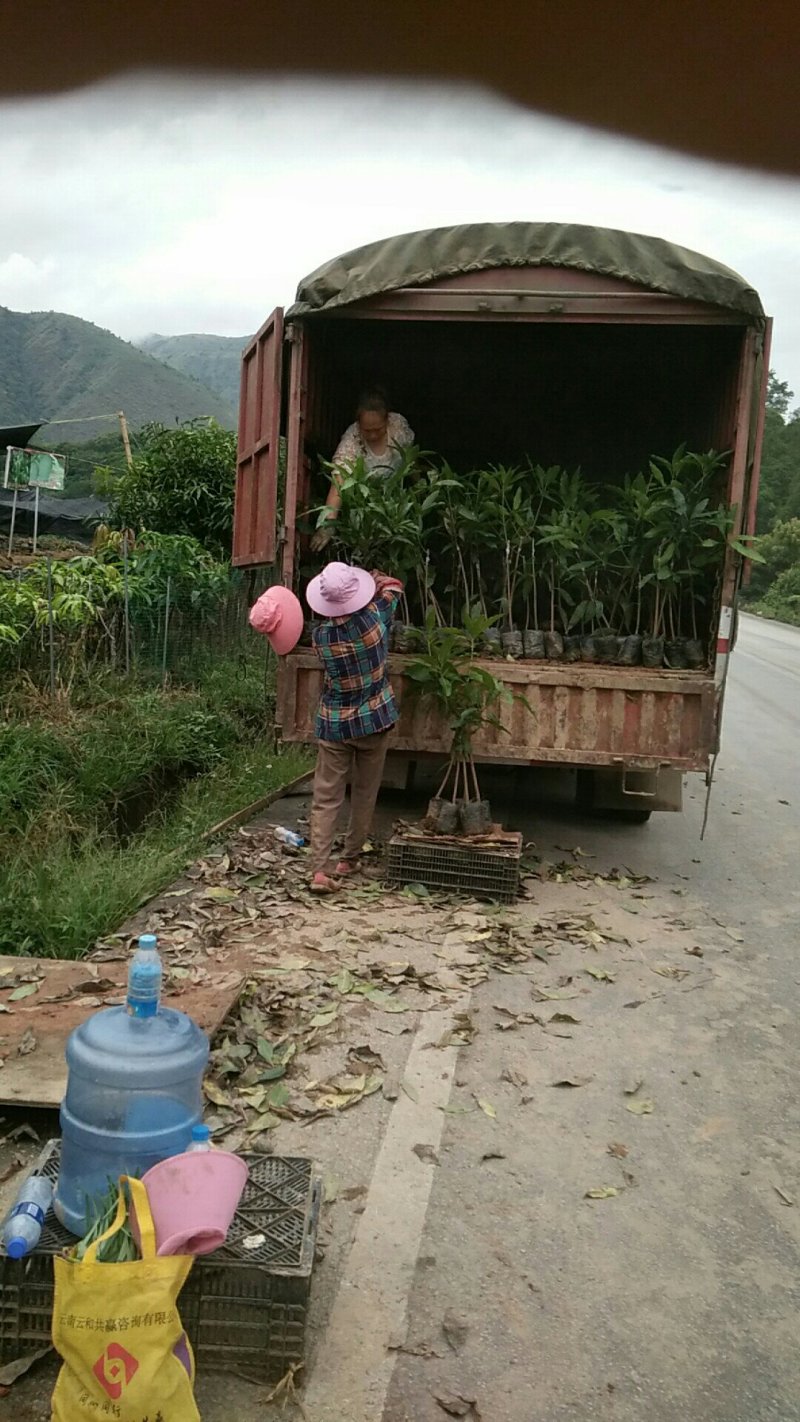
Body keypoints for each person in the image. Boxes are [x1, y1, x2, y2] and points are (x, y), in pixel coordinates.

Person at [305, 560, 404, 893]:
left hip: (335, 724)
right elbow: (395, 587)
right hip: (375, 720)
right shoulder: (375, 619)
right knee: (364, 792)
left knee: (326, 797)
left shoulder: (321, 637)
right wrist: (375, 578)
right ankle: (349, 858)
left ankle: (320, 869)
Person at [311, 390, 414, 551]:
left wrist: (419, 488)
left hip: (398, 506)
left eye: (378, 429)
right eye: (367, 430)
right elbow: (339, 480)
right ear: (359, 425)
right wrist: (327, 524)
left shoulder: (398, 427)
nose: (372, 435)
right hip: (367, 509)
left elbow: (411, 459)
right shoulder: (352, 441)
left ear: (387, 421)